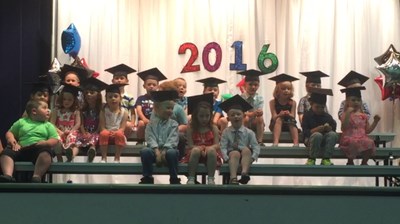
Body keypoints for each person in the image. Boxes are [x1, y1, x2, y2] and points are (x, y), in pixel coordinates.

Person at [0, 100, 59, 183]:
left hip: (38, 148)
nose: (48, 110)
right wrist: (12, 140)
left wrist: (46, 143)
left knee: (46, 153)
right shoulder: (22, 122)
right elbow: (10, 133)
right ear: (34, 111)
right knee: (6, 153)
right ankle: (8, 175)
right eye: (44, 108)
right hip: (21, 148)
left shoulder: (48, 125)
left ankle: (37, 176)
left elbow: (54, 139)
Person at [139, 90, 181, 184]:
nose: (170, 111)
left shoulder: (174, 124)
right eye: (167, 108)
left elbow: (173, 139)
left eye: (172, 108)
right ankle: (147, 177)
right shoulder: (150, 124)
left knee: (172, 153)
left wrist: (164, 151)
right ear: (157, 108)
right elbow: (150, 138)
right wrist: (157, 152)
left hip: (168, 152)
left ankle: (174, 177)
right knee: (145, 151)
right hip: (154, 152)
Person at [219, 95, 260, 185]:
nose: (236, 117)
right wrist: (225, 157)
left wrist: (253, 158)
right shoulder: (226, 132)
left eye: (238, 114)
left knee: (246, 149)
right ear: (229, 118)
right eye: (232, 115)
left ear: (244, 116)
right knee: (235, 153)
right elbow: (223, 146)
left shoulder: (249, 132)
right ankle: (233, 178)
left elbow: (256, 146)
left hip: (245, 157)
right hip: (232, 155)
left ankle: (244, 173)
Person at [183, 93, 222, 185]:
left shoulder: (213, 127)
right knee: (195, 150)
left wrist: (207, 148)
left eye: (207, 116)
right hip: (195, 152)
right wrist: (200, 148)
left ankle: (211, 178)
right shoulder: (191, 128)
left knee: (212, 150)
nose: (204, 119)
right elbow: (190, 145)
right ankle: (191, 178)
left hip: (210, 153)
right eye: (201, 116)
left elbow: (217, 144)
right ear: (196, 115)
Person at [339, 86, 380, 165]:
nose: (356, 102)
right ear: (347, 102)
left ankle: (364, 162)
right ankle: (350, 161)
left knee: (369, 142)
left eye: (358, 100)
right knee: (353, 142)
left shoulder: (363, 115)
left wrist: (375, 122)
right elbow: (343, 128)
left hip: (362, 137)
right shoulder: (345, 114)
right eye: (353, 100)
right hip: (349, 138)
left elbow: (367, 130)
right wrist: (347, 113)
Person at [301, 88, 338, 165]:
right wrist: (316, 130)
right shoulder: (307, 116)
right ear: (311, 104)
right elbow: (305, 132)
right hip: (310, 140)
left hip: (324, 140)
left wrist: (329, 129)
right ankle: (312, 158)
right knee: (317, 135)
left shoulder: (327, 117)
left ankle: (326, 158)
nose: (319, 109)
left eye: (322, 107)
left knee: (333, 135)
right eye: (317, 107)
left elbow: (333, 129)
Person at [76, 77, 108, 162]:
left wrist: (94, 132)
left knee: (96, 137)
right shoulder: (82, 108)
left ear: (98, 95)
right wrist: (84, 132)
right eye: (86, 93)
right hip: (85, 133)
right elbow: (81, 123)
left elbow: (101, 124)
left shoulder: (102, 108)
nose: (88, 95)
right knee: (78, 137)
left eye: (92, 92)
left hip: (96, 132)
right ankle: (72, 153)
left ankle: (92, 150)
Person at [135, 67, 167, 145]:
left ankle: (157, 141)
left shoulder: (159, 99)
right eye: (149, 84)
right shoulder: (141, 98)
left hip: (156, 121)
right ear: (144, 86)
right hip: (144, 120)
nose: (151, 86)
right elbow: (138, 110)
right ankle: (140, 141)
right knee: (141, 123)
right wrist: (144, 119)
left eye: (154, 85)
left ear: (157, 86)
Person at [50, 84, 81, 162]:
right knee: (57, 140)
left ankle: (71, 156)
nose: (67, 101)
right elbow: (52, 123)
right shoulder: (56, 110)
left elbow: (78, 123)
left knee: (75, 143)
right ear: (61, 99)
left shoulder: (76, 111)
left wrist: (71, 132)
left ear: (74, 100)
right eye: (64, 99)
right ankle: (59, 158)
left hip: (71, 131)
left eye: (70, 100)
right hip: (59, 131)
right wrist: (60, 132)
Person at [98, 84, 129, 163]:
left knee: (119, 134)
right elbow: (102, 127)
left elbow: (122, 128)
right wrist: (108, 132)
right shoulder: (103, 111)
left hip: (118, 135)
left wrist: (116, 132)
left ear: (120, 98)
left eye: (115, 96)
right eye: (110, 97)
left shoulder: (124, 112)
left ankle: (117, 158)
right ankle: (104, 158)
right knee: (103, 133)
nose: (113, 99)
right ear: (106, 99)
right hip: (106, 135)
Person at [105, 64, 137, 136]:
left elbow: (132, 112)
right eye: (116, 78)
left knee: (128, 125)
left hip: (125, 121)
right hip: (112, 121)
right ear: (112, 80)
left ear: (127, 80)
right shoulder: (110, 96)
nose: (119, 80)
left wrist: (132, 123)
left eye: (122, 78)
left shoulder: (129, 97)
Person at [268, 73, 300, 146]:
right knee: (279, 119)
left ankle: (296, 142)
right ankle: (276, 142)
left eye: (288, 89)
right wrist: (280, 115)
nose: (286, 91)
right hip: (276, 124)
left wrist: (288, 114)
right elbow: (274, 117)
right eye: (283, 89)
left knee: (291, 121)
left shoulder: (293, 103)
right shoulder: (272, 102)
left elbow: (293, 116)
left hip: (289, 124)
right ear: (277, 90)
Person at [238, 69, 267, 145]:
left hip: (255, 122)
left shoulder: (259, 98)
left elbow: (259, 111)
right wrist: (253, 113)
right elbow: (242, 114)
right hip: (244, 122)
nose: (253, 87)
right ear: (245, 85)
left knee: (260, 118)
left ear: (258, 85)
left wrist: (260, 112)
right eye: (250, 84)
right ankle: (245, 141)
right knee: (246, 118)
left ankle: (259, 141)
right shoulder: (241, 98)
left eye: (256, 85)